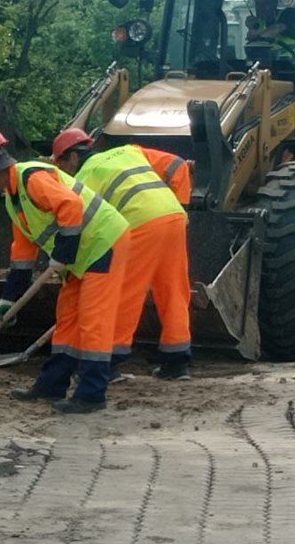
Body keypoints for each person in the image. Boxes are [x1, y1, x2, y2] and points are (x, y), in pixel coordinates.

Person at [0, 127, 131, 414]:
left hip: (104, 243)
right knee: (67, 319)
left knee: (93, 321)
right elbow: (22, 252)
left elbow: (71, 206)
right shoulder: (12, 199)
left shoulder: (32, 177)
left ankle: (92, 394)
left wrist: (63, 254)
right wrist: (9, 298)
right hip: (80, 255)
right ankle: (52, 383)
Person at [52, 128, 193, 380]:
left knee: (124, 294)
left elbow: (85, 228)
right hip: (173, 218)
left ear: (73, 157)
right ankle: (177, 362)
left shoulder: (83, 177)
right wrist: (180, 204)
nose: (63, 171)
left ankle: (109, 363)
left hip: (139, 224)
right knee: (173, 290)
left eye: (62, 163)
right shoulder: (129, 151)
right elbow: (178, 165)